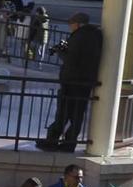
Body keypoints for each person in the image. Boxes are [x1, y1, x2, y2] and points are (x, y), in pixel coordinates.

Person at [37, 12, 101, 150]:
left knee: (63, 113)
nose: (70, 27)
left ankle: (51, 142)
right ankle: (69, 144)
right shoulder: (95, 35)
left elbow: (71, 60)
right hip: (85, 82)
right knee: (77, 114)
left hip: (72, 81)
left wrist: (61, 51)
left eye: (71, 24)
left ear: (78, 24)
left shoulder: (79, 37)